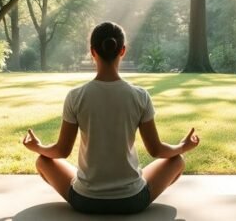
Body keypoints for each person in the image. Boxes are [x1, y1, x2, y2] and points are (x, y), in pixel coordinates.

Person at [22, 21, 200, 215]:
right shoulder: (140, 96)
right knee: (177, 161)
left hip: (85, 201)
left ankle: (89, 186)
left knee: (43, 161)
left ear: (92, 51)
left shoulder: (76, 96)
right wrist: (183, 146)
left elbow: (61, 151)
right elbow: (156, 150)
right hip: (132, 201)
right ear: (122, 51)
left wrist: (37, 147)